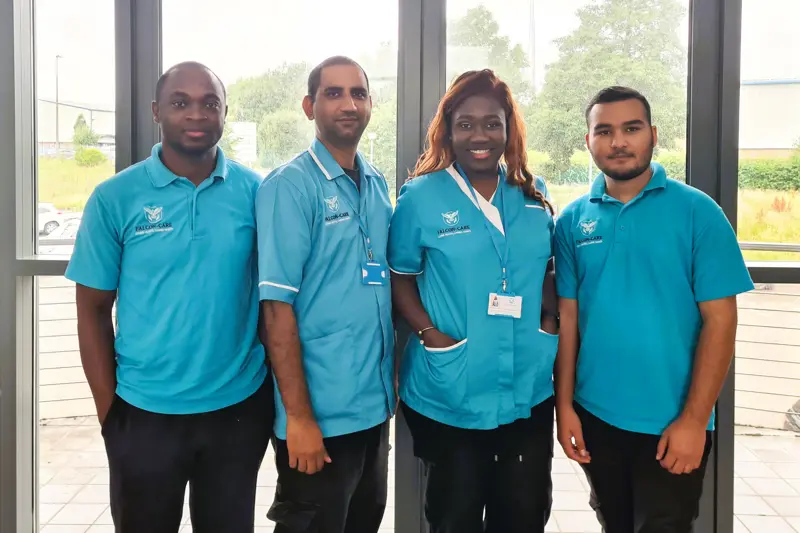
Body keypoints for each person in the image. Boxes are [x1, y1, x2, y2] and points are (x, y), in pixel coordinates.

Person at [66, 61, 273, 533]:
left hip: (237, 410)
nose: (196, 114)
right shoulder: (115, 197)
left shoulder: (256, 193)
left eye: (210, 103)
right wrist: (111, 417)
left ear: (225, 112)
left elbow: (271, 303)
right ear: (157, 111)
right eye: (181, 103)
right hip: (143, 414)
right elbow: (92, 310)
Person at [554, 86, 754, 533]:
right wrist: (564, 406)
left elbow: (721, 321)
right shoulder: (572, 220)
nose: (618, 142)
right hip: (596, 415)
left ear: (653, 135)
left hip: (672, 422)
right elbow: (569, 320)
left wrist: (695, 420)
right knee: (614, 524)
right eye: (604, 131)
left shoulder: (698, 212)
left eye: (632, 128)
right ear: (588, 140)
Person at [388, 69, 560, 533]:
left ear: (508, 129)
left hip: (527, 386)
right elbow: (400, 276)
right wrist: (430, 334)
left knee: (525, 514)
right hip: (452, 385)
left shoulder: (532, 194)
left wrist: (549, 318)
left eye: (492, 123)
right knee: (454, 517)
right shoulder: (421, 196)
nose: (479, 136)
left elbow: (547, 269)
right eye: (465, 124)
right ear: (448, 131)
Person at [256, 56, 394, 533]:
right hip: (319, 420)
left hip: (373, 410)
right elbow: (276, 309)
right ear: (309, 106)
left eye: (358, 93)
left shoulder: (376, 184)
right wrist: (298, 418)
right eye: (333, 93)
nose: (348, 104)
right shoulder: (290, 187)